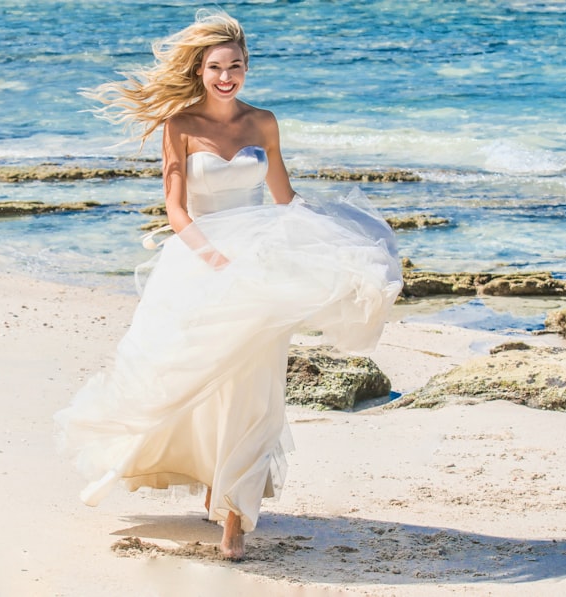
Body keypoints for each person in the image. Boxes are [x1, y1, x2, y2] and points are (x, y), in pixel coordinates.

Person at [54, 10, 402, 560]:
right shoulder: (181, 126)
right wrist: (213, 257)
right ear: (198, 70)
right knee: (191, 382)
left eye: (235, 66)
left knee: (252, 389)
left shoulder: (263, 122)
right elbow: (175, 209)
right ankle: (210, 481)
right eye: (215, 66)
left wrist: (336, 242)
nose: (225, 76)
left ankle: (234, 518)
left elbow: (284, 199)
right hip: (199, 262)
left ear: (246, 68)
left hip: (259, 268)